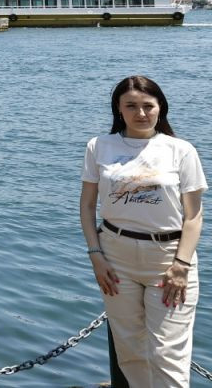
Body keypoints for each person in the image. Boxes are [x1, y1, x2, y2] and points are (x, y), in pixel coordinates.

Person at [80, 75, 205, 388]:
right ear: (118, 110)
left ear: (160, 108)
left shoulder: (181, 150)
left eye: (148, 106)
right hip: (115, 255)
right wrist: (96, 255)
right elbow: (87, 207)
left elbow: (194, 216)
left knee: (168, 354)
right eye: (131, 106)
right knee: (131, 351)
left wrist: (182, 265)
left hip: (168, 259)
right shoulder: (99, 147)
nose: (141, 113)